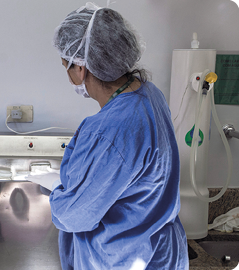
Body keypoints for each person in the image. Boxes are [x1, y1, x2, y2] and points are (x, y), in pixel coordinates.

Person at [50, 2, 189, 269]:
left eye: (65, 65)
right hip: (161, 253)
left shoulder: (109, 132)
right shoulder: (149, 95)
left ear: (81, 68)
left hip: (124, 259)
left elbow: (74, 215)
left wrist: (57, 198)